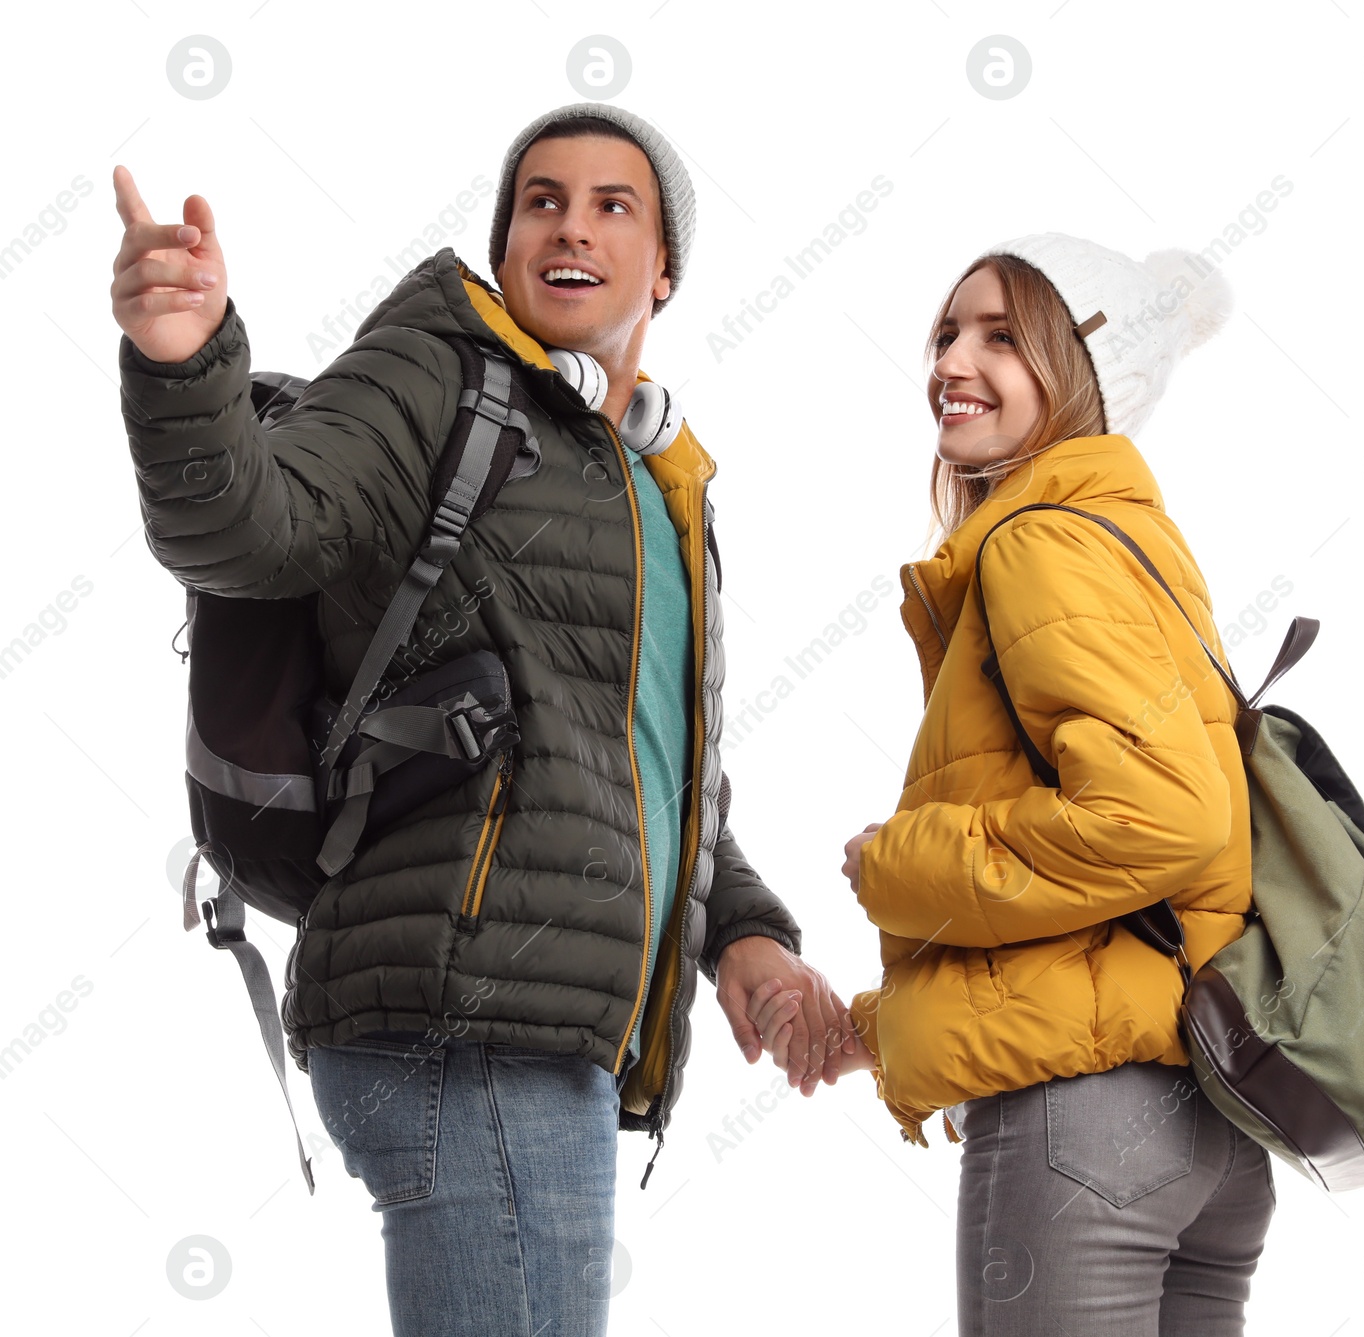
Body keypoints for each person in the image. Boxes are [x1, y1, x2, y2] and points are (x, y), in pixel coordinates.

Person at [111, 101, 854, 1337]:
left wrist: (748, 941)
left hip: (545, 1038)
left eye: (613, 205)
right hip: (462, 1018)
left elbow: (654, 775)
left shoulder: (656, 484)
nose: (568, 225)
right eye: (540, 201)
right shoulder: (437, 371)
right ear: (507, 241)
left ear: (664, 268)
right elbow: (248, 531)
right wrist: (187, 366)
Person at [747, 234, 1275, 1335]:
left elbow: (1159, 818)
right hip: (1205, 1118)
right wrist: (869, 1029)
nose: (951, 359)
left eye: (1000, 334)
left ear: (1081, 368)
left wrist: (900, 864)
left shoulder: (1040, 544)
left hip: (1084, 1133)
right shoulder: (1133, 542)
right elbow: (1110, 921)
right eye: (946, 331)